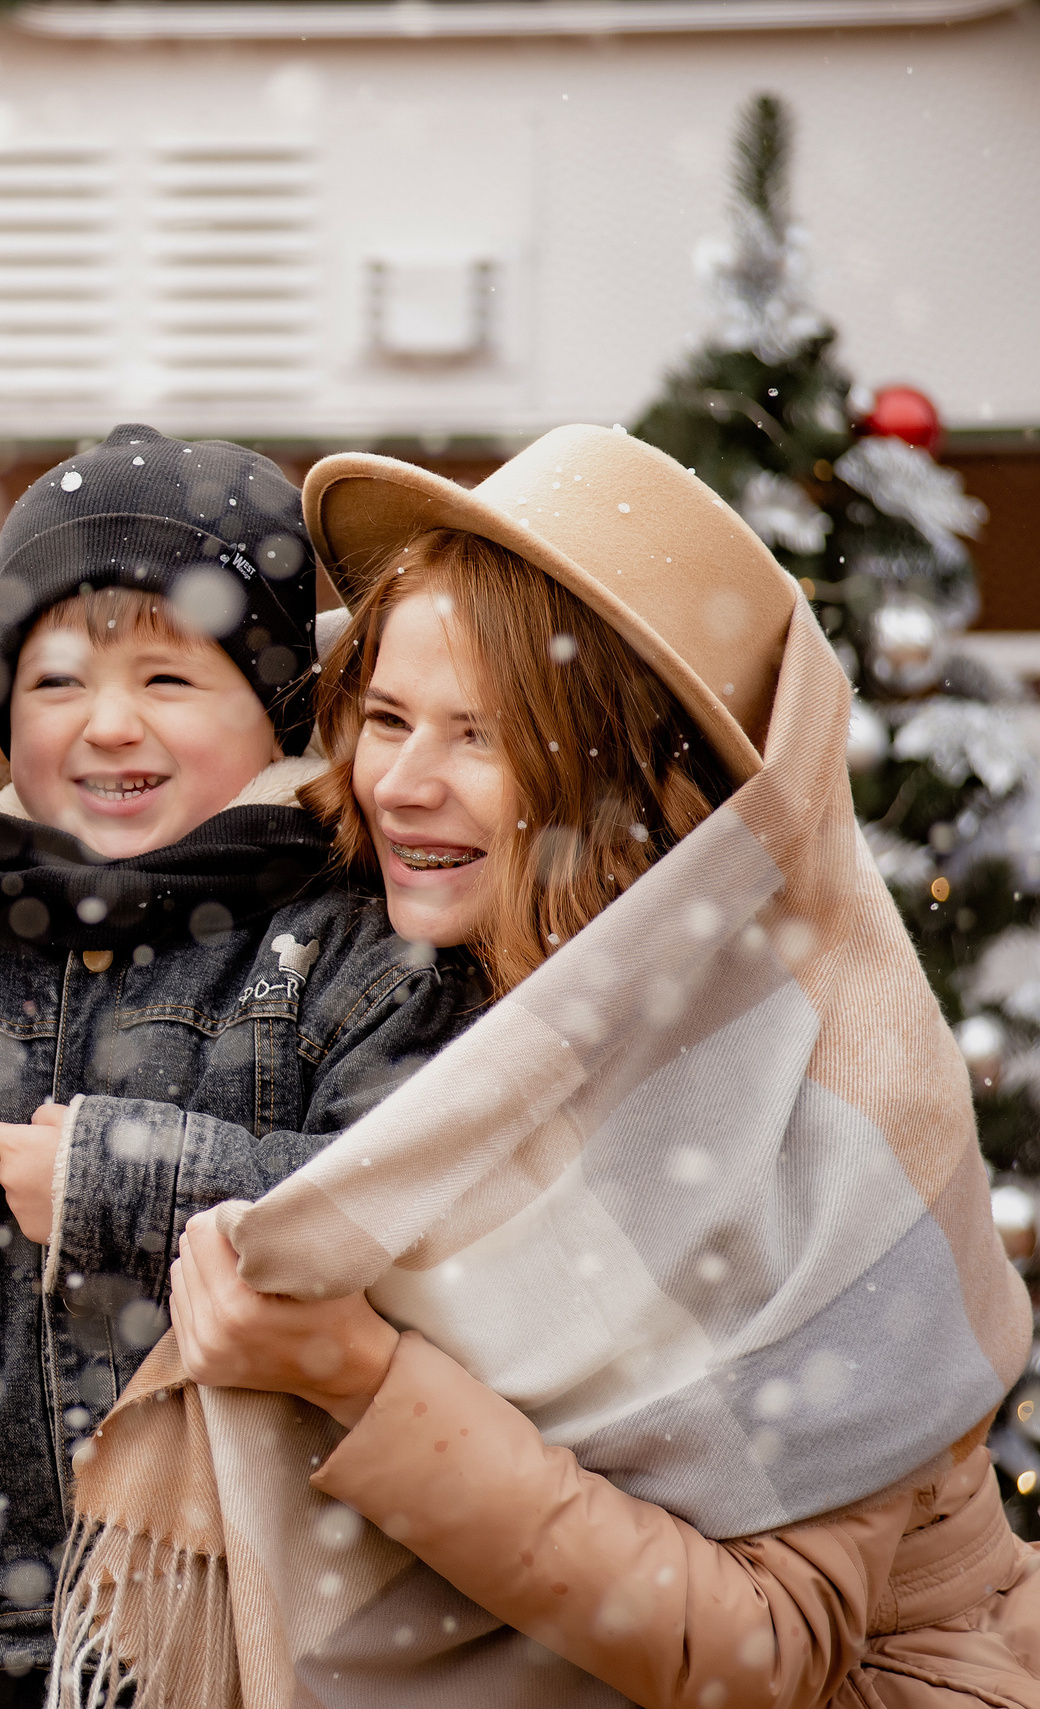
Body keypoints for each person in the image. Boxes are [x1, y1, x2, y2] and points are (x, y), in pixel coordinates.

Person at [66, 425, 1040, 1708]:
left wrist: (353, 1371)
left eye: (478, 734)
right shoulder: (435, 983)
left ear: (633, 775)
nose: (401, 781)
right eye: (390, 717)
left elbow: (764, 1646)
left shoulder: (827, 1110)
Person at [0, 430, 483, 1709]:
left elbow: (418, 1215)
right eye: (57, 679)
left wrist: (128, 1183)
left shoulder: (353, 953)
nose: (109, 722)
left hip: (270, 1643)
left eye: (168, 676)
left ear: (280, 710)